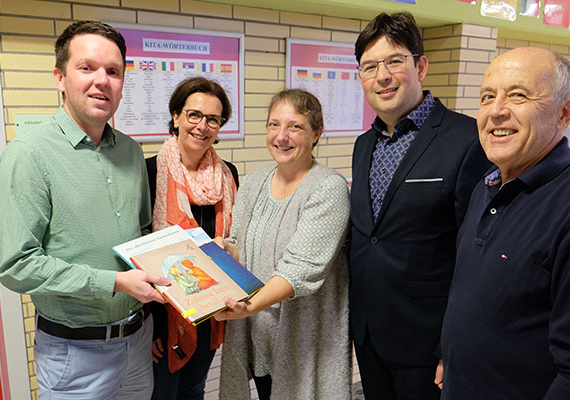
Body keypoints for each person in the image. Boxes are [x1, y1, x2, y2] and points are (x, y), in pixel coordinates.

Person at [0, 21, 168, 399]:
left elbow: (140, 236)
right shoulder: (28, 155)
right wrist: (115, 282)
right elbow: (16, 266)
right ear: (60, 77)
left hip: (138, 340)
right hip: (75, 355)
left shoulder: (131, 151)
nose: (102, 81)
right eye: (87, 68)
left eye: (114, 71)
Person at [440, 47, 570, 399]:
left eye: (518, 95)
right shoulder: (489, 185)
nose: (496, 111)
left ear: (565, 113)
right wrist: (448, 353)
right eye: (487, 97)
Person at [349, 12, 491, 400]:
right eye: (369, 66)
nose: (383, 76)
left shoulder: (467, 140)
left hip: (427, 341)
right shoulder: (364, 145)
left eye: (395, 61)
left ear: (421, 66)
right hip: (369, 333)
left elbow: (476, 252)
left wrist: (451, 345)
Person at [215, 89, 352, 400]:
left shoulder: (328, 188)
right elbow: (240, 246)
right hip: (257, 336)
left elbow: (300, 270)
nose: (281, 136)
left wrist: (245, 307)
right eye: (273, 125)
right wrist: (223, 254)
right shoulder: (253, 181)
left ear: (316, 133)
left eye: (295, 126)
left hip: (300, 340)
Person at [145, 77, 238, 400]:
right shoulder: (149, 173)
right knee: (163, 395)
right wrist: (152, 326)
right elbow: (138, 253)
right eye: (193, 115)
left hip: (209, 311)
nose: (202, 126)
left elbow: (230, 240)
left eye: (213, 119)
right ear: (176, 117)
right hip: (165, 315)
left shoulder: (228, 175)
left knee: (194, 390)